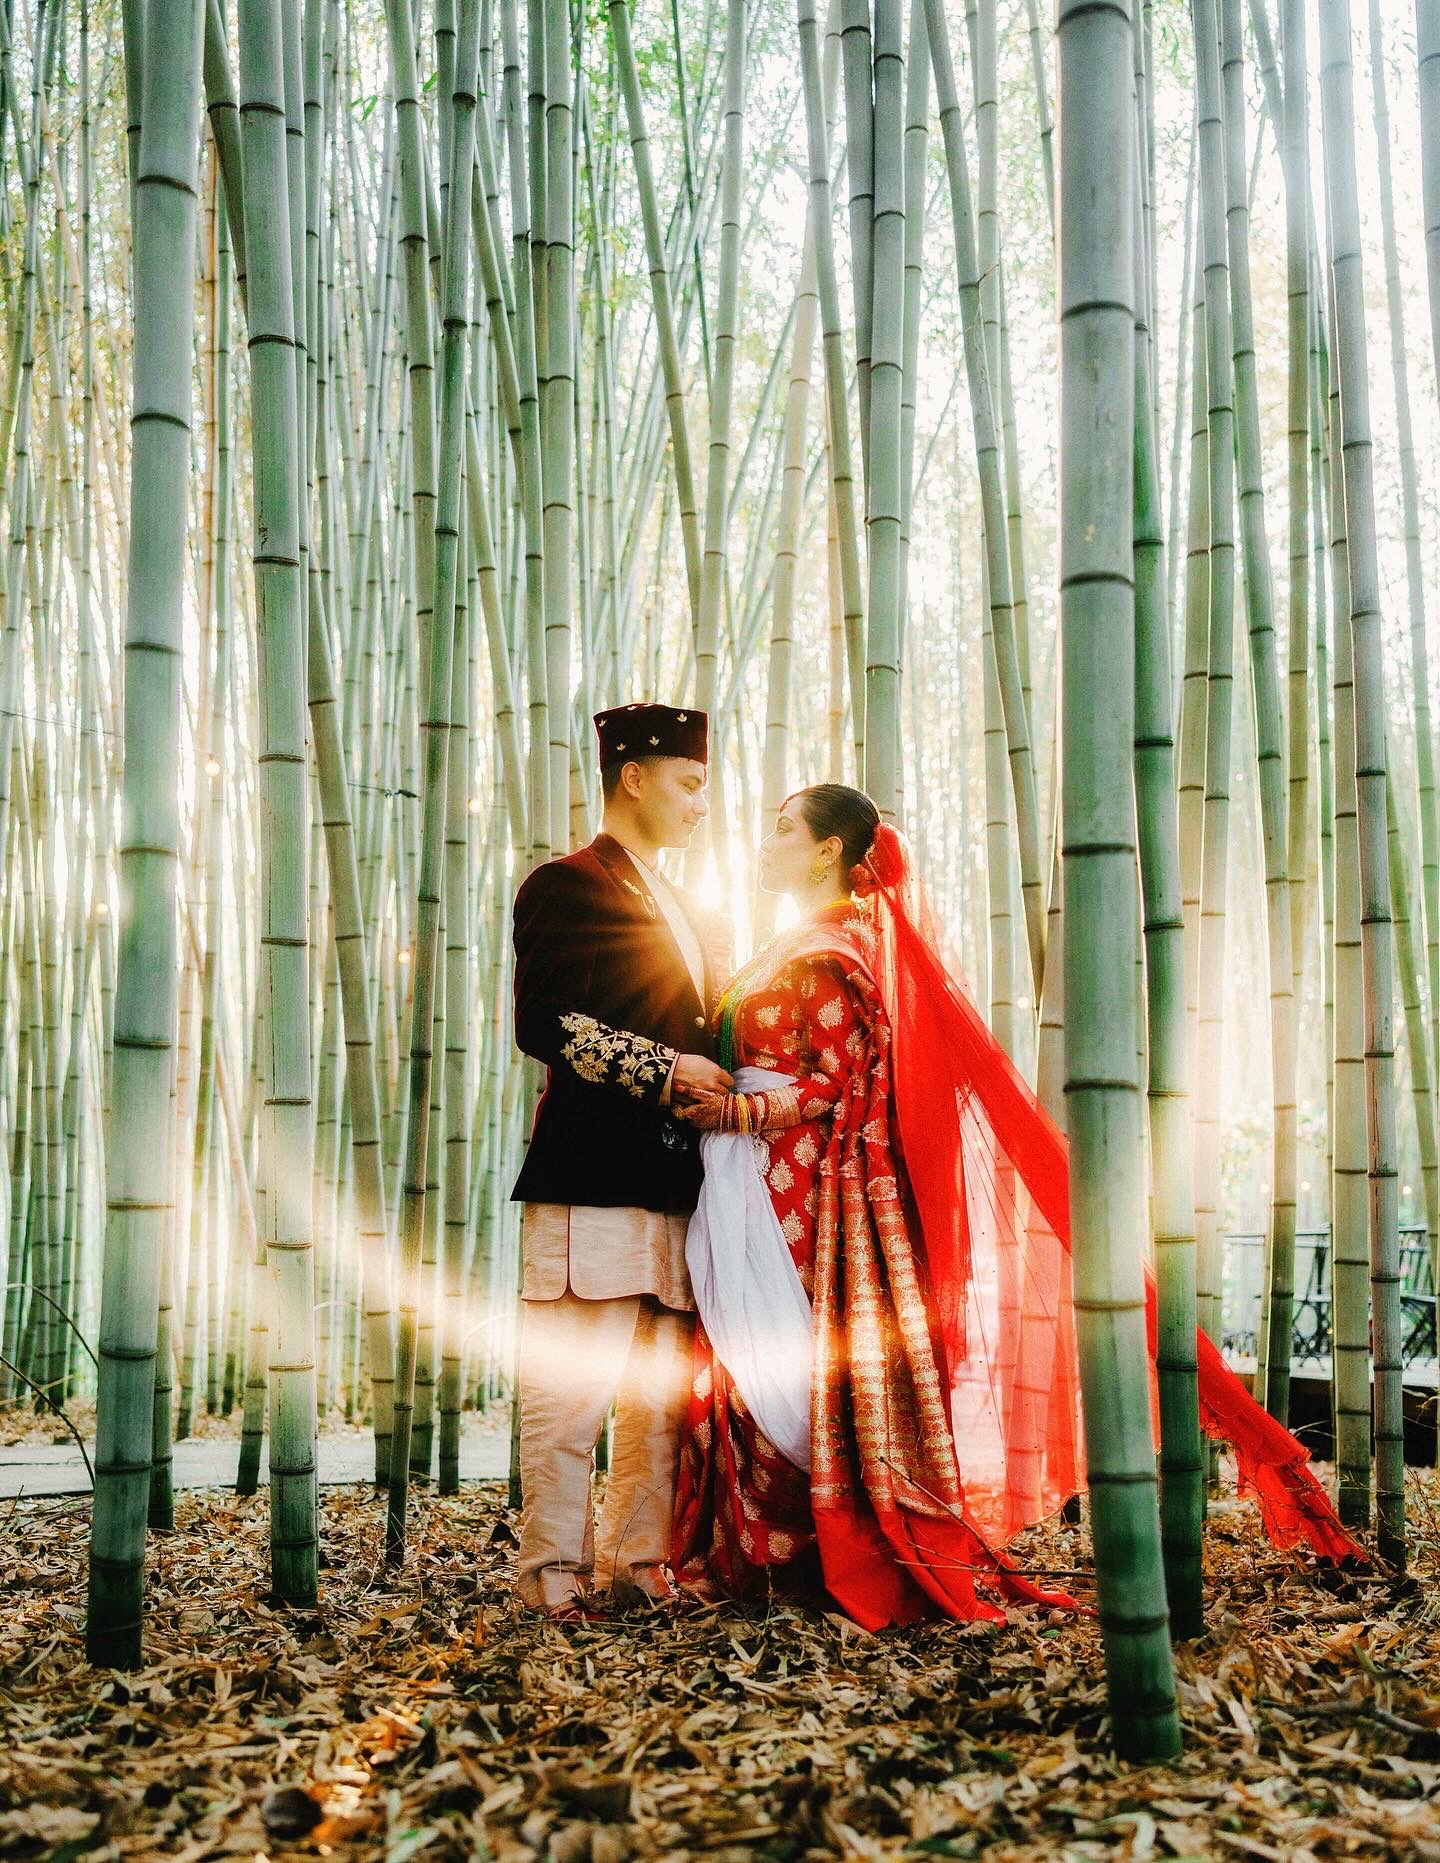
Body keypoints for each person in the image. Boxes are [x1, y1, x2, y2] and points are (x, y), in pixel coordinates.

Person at [672, 784, 1360, 1631]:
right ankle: (757, 1563)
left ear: (827, 853)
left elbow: (838, 1084)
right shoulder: (790, 942)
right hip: (749, 1173)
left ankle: (809, 1559)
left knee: (788, 1363)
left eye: (783, 828)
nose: (764, 840)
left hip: (805, 1190)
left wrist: (739, 1110)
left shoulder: (841, 949)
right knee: (749, 1362)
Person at [510, 703, 733, 1619]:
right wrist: (665, 1069)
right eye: (688, 784)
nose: (699, 806)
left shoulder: (684, 901)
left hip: (677, 1180)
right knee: (571, 1390)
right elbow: (546, 1023)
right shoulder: (566, 882)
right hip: (589, 1174)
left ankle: (640, 1564)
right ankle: (552, 1576)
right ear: (632, 775)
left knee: (659, 1395)